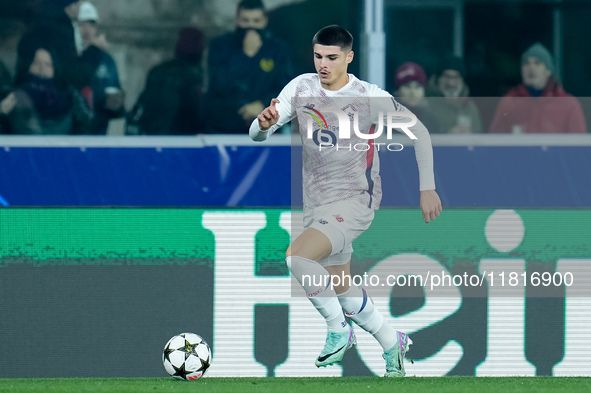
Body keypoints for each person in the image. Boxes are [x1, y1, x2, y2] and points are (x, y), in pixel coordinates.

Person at [249, 25, 442, 377]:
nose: (323, 64)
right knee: (340, 285)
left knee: (297, 258)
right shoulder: (301, 87)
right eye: (318, 56)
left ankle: (338, 331)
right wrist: (263, 125)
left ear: (349, 57)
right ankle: (391, 343)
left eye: (332, 58)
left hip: (356, 200)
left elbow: (421, 134)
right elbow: (258, 134)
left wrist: (426, 187)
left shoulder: (369, 97)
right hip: (317, 203)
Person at [206, 0, 293, 133]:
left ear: (264, 21)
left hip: (267, 125)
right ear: (237, 20)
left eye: (256, 21)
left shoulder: (277, 49)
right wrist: (245, 55)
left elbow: (285, 86)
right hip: (224, 126)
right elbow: (218, 84)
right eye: (245, 20)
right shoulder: (220, 46)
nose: (251, 26)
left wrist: (262, 104)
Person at [489, 42, 586, 134]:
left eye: (537, 63)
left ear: (548, 71)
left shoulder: (569, 104)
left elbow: (578, 146)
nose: (531, 67)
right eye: (526, 64)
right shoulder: (509, 101)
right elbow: (495, 141)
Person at [126, 27, 205, 135]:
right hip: (182, 141)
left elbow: (140, 109)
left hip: (154, 137)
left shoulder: (158, 72)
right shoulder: (194, 78)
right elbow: (197, 114)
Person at [0, 44, 91, 134]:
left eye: (48, 65)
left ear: (54, 69)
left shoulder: (71, 98)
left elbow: (87, 130)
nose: (42, 68)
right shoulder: (14, 98)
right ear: (28, 66)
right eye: (36, 63)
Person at [78, 1, 125, 134]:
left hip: (100, 130)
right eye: (82, 24)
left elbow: (116, 90)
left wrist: (116, 104)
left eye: (91, 24)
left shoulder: (107, 60)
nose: (87, 29)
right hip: (76, 132)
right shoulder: (71, 57)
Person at [18, 0, 83, 89]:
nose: (81, 6)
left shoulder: (44, 21)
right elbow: (70, 70)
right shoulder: (61, 28)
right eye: (79, 3)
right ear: (71, 5)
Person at [427, 55, 483, 134]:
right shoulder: (427, 105)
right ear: (438, 78)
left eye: (456, 77)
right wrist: (447, 136)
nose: (451, 83)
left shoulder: (470, 106)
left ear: (462, 80)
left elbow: (479, 136)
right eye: (447, 77)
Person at [393, 62, 439, 133]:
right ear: (397, 91)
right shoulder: (387, 119)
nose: (413, 92)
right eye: (407, 86)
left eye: (417, 87)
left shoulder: (431, 120)